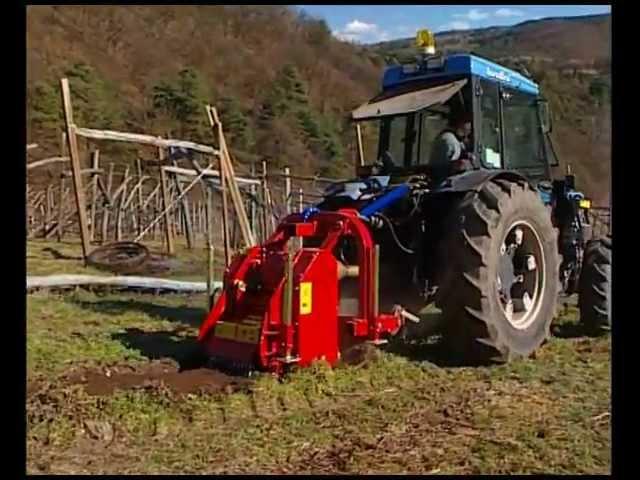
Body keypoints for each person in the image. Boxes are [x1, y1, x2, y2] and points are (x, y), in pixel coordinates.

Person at [429, 111, 474, 181]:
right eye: (468, 123)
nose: (470, 127)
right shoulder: (449, 140)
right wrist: (460, 165)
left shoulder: (458, 140)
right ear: (460, 123)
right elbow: (439, 169)